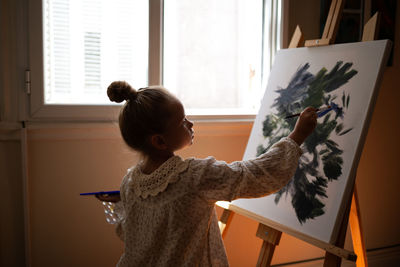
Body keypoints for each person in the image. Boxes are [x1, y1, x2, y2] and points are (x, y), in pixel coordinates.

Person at [98, 81, 317, 266]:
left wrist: (125, 201)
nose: (190, 123)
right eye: (183, 121)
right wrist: (297, 136)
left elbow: (132, 234)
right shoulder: (195, 176)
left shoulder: (130, 183)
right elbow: (254, 176)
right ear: (159, 141)